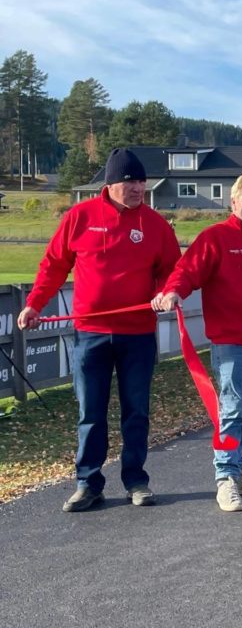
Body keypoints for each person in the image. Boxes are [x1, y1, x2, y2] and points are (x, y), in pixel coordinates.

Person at [17, 148, 181, 512]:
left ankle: (136, 480)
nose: (139, 188)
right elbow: (54, 265)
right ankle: (88, 483)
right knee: (90, 412)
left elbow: (172, 269)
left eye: (142, 181)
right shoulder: (80, 217)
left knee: (136, 410)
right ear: (110, 183)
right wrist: (35, 305)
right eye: (131, 181)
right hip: (90, 333)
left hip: (137, 333)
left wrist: (164, 293)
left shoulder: (154, 224)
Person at [153, 174, 242, 513]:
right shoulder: (216, 238)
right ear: (234, 202)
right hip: (230, 343)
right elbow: (187, 271)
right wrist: (173, 292)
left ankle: (237, 472)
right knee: (230, 410)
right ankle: (225, 478)